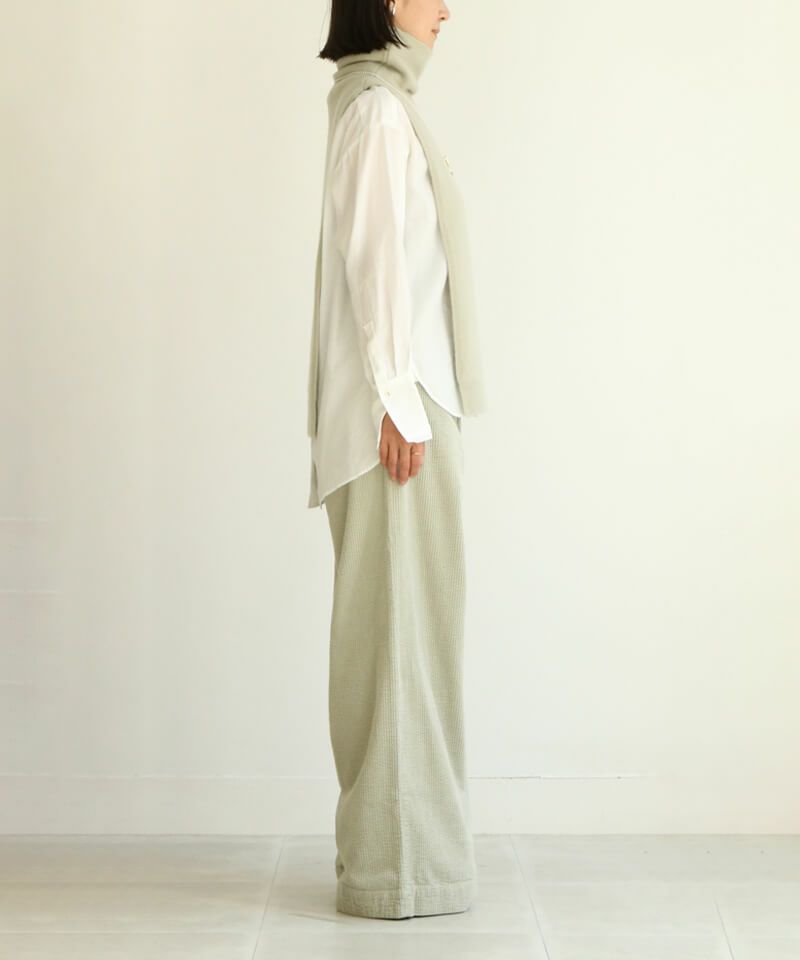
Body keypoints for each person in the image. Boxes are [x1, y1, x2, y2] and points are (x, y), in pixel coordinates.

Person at [307, 0, 487, 920]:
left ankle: (407, 860)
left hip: (404, 408)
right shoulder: (378, 111)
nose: (446, 8)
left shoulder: (377, 104)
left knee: (409, 634)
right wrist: (399, 403)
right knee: (399, 642)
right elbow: (376, 266)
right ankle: (400, 871)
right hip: (398, 420)